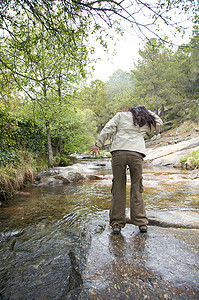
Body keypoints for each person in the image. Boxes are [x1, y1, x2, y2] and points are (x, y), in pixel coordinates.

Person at [90, 105, 163, 234]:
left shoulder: (120, 115)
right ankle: (141, 223)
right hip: (136, 153)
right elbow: (159, 123)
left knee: (118, 187)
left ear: (130, 110)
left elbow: (108, 129)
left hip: (119, 152)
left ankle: (117, 224)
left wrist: (98, 144)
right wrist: (148, 111)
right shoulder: (144, 120)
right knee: (137, 187)